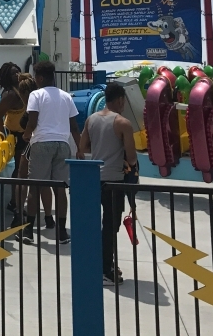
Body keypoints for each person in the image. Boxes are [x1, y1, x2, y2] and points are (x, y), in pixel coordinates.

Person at [78, 82, 139, 286]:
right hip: (114, 181)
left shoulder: (91, 119)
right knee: (110, 227)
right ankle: (106, 270)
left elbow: (82, 148)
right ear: (120, 100)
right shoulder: (123, 123)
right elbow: (132, 157)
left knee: (94, 225)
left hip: (94, 179)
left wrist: (100, 148)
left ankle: (99, 263)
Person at [20, 60, 79, 245]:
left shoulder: (36, 95)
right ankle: (62, 232)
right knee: (60, 189)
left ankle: (28, 231)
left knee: (35, 187)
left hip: (42, 143)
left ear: (40, 78)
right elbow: (74, 126)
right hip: (63, 145)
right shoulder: (66, 96)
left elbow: (32, 121)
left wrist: (26, 134)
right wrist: (80, 149)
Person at [0, 65, 51, 228]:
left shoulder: (22, 90)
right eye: (13, 73)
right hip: (16, 135)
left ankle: (15, 202)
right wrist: (2, 135)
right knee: (20, 170)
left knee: (21, 170)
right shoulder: (11, 94)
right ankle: (15, 203)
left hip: (23, 133)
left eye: (18, 71)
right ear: (7, 76)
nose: (17, 74)